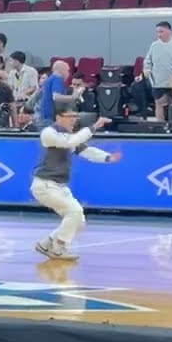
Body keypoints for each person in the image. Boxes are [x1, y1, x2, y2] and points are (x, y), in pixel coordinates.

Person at [30, 101, 120, 261]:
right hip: (44, 185)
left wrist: (107, 157)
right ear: (58, 117)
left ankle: (46, 244)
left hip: (59, 186)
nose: (74, 120)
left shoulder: (69, 136)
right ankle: (58, 249)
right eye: (70, 117)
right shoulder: (48, 133)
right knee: (74, 212)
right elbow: (69, 143)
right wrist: (93, 128)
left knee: (79, 221)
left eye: (75, 117)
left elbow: (86, 151)